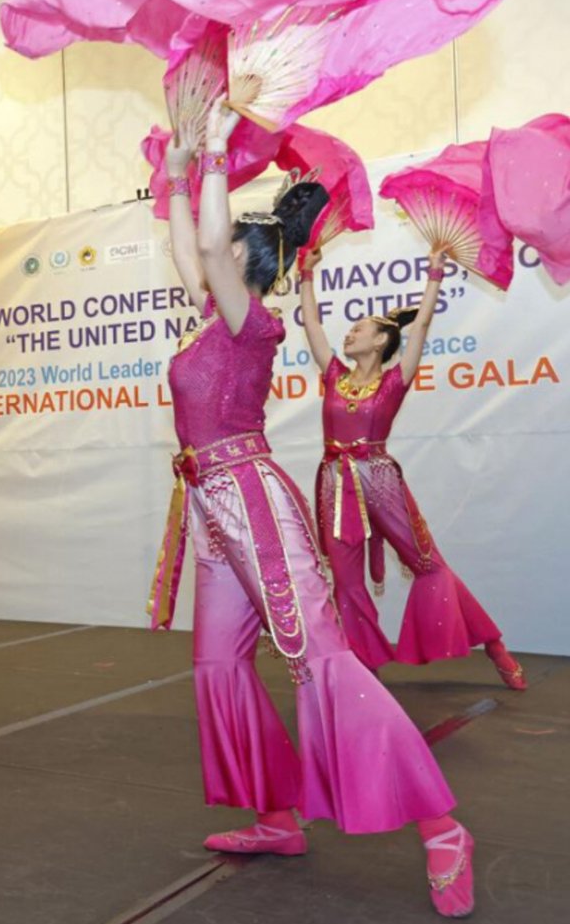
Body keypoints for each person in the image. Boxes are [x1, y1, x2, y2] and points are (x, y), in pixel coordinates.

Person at [151, 102, 473, 917]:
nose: (204, 262)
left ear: (245, 267)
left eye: (222, 256)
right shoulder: (206, 321)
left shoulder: (249, 323)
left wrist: (220, 154)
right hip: (213, 516)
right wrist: (183, 168)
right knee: (218, 666)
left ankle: (441, 830)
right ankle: (276, 815)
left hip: (253, 503)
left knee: (318, 657)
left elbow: (214, 253)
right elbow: (190, 245)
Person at [299, 245, 525, 689]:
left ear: (381, 340)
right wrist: (307, 276)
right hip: (334, 482)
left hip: (378, 479)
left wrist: (434, 275)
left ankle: (494, 645)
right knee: (345, 582)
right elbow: (311, 325)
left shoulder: (393, 381)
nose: (349, 336)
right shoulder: (333, 375)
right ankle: (363, 667)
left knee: (428, 564)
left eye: (358, 330)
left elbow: (420, 324)